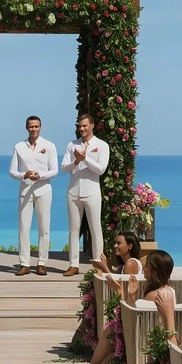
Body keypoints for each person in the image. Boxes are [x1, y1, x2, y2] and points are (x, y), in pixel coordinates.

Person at [70, 233, 153, 364]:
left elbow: (125, 288)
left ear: (129, 246)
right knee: (108, 340)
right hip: (127, 310)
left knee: (109, 333)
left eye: (119, 243)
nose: (115, 246)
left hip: (129, 311)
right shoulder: (126, 264)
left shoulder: (130, 264)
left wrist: (105, 269)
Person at [60, 114, 110, 277]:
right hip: (73, 191)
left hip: (92, 192)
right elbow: (64, 168)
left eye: (85, 126)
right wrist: (76, 161)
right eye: (79, 126)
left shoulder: (101, 145)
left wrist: (85, 158)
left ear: (92, 126)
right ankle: (73, 265)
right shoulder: (72, 144)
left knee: (96, 229)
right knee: (74, 229)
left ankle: (98, 264)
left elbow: (101, 169)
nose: (81, 129)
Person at [9, 115, 58, 276]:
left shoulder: (49, 146)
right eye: (31, 126)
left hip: (44, 189)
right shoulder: (19, 147)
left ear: (41, 127)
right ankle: (24, 263)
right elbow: (12, 171)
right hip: (25, 190)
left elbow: (54, 170)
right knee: (24, 227)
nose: (34, 129)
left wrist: (41, 176)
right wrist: (25, 175)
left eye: (36, 126)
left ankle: (42, 263)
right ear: (26, 128)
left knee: (44, 227)